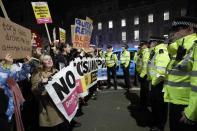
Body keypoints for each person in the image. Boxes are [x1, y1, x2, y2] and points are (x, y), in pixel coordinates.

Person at [163, 17, 197, 131]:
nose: (173, 33)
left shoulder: (194, 47)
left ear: (190, 29)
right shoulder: (180, 48)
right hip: (176, 102)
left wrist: (192, 112)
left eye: (178, 29)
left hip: (187, 107)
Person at [31, 54, 69, 131]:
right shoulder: (38, 74)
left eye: (50, 59)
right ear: (42, 63)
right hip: (48, 106)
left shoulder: (57, 71)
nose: (49, 61)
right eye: (46, 59)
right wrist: (41, 84)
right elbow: (34, 89)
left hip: (60, 105)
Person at [147, 37, 170, 131]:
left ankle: (160, 126)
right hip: (154, 83)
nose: (150, 44)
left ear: (155, 43)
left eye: (151, 42)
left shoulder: (161, 51)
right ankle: (156, 122)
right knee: (155, 106)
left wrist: (154, 83)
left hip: (159, 84)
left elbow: (161, 72)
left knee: (160, 106)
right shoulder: (155, 51)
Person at [138, 41, 150, 109]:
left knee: (145, 90)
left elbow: (145, 66)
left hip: (144, 75)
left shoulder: (146, 53)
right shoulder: (142, 52)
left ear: (145, 45)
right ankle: (143, 103)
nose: (141, 47)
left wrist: (141, 75)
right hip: (142, 73)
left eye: (142, 45)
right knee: (143, 90)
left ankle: (144, 105)